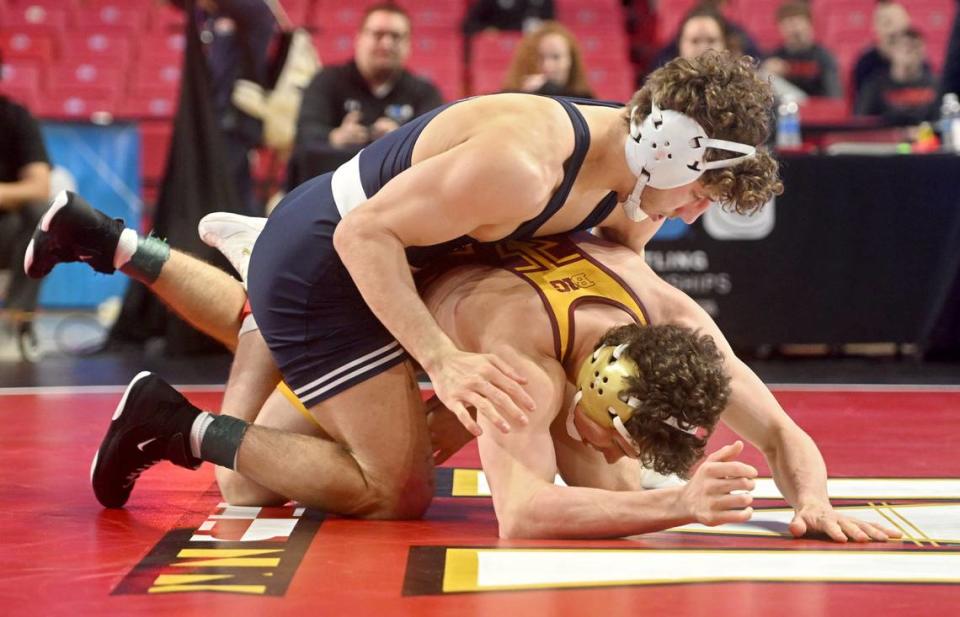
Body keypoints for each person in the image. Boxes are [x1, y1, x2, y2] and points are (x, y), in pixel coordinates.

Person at [26, 51, 783, 522]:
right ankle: (173, 419)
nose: (694, 211)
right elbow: (364, 237)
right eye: (703, 193)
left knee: (285, 466)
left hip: (400, 256)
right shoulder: (528, 166)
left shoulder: (627, 192)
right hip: (336, 255)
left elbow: (664, 313)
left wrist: (788, 455)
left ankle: (118, 243)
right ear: (676, 152)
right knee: (391, 488)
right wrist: (442, 359)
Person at [24, 196, 896, 542]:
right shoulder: (531, 364)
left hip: (403, 278)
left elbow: (783, 433)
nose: (605, 442)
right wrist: (676, 501)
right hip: (352, 294)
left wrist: (812, 496)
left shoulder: (671, 322)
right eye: (606, 422)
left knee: (599, 468)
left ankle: (114, 242)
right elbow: (522, 515)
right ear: (596, 387)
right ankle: (186, 410)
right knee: (258, 489)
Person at [290, 3, 443, 182]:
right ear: (359, 39)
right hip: (328, 186)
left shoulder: (424, 92)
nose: (386, 43)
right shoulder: (327, 81)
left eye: (396, 36)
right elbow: (305, 132)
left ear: (409, 44)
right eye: (378, 34)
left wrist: (400, 140)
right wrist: (335, 137)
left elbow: (436, 145)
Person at [0, 76, 51, 360]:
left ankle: (15, 324)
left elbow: (39, 186)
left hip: (5, 232)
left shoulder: (15, 118)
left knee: (41, 214)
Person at [856, 28, 938, 126]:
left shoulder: (936, 85)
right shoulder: (874, 86)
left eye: (914, 47)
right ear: (892, 51)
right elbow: (862, 122)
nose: (909, 51)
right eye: (903, 47)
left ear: (923, 51)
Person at [762, 1, 842, 98]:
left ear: (809, 24)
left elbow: (833, 95)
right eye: (787, 24)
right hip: (784, 107)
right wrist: (770, 72)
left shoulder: (823, 56)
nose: (793, 29)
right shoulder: (775, 56)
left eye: (797, 23)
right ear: (780, 28)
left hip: (815, 106)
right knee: (764, 74)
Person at [650, 2, 759, 71]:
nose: (703, 49)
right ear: (679, 45)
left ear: (726, 45)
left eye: (711, 41)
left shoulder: (748, 97)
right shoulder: (660, 95)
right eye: (695, 41)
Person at [501, 21, 594, 98]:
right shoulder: (511, 97)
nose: (547, 66)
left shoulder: (585, 100)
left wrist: (548, 88)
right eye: (539, 57)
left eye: (556, 57)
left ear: (571, 60)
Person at [852, 1, 916, 108]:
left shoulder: (918, 61)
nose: (894, 30)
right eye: (887, 23)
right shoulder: (865, 64)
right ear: (875, 27)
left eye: (898, 23)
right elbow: (862, 110)